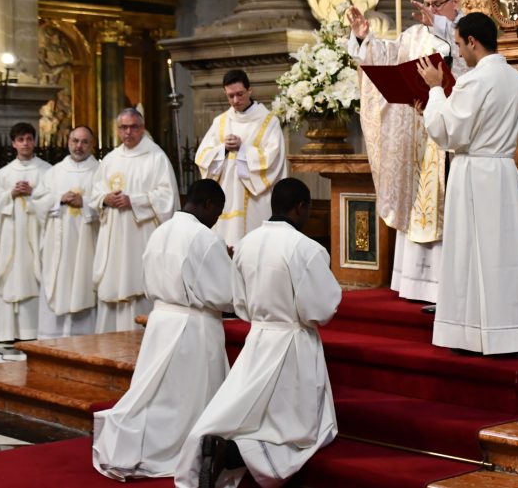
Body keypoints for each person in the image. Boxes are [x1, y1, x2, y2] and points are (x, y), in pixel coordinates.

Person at [174, 178, 341, 488]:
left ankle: (225, 444)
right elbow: (320, 308)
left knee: (256, 409)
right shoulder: (307, 249)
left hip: (258, 338)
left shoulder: (247, 243)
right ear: (300, 207)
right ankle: (239, 452)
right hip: (294, 341)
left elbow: (238, 301)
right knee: (298, 430)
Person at [415, 13, 518, 356]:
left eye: (460, 44)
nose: (459, 53)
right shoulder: (511, 77)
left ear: (473, 41)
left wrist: (434, 90)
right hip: (503, 173)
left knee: (471, 254)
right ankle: (513, 333)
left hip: (475, 174)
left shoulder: (476, 80)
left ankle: (470, 334)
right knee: (504, 255)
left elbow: (450, 132)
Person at [93, 179, 237, 480]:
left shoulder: (161, 232)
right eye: (218, 212)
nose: (217, 219)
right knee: (186, 399)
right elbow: (224, 295)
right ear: (209, 205)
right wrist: (230, 264)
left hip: (161, 321)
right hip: (193, 326)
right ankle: (180, 450)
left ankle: (140, 446)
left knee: (157, 395)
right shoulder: (204, 237)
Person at [347, 0, 469, 306]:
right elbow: (387, 57)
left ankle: (445, 286)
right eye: (426, 3)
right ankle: (414, 283)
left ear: (454, 3)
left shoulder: (465, 35)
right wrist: (364, 38)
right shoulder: (414, 35)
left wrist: (442, 34)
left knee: (441, 204)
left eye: (436, 4)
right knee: (415, 200)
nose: (428, 10)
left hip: (448, 139)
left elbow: (466, 71)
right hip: (416, 131)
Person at [91, 108, 179, 333]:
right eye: (123, 127)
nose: (128, 132)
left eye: (134, 127)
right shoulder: (110, 159)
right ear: (118, 130)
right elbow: (95, 194)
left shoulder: (156, 157)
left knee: (139, 282)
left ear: (142, 128)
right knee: (114, 280)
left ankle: (141, 335)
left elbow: (167, 197)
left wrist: (135, 201)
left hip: (141, 234)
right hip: (114, 235)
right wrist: (106, 198)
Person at [195, 69, 287, 250]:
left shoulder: (268, 121)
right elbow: (202, 156)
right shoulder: (220, 121)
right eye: (230, 96)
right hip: (225, 195)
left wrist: (243, 149)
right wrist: (223, 149)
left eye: (240, 94)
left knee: (253, 249)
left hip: (255, 198)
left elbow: (273, 158)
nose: (235, 100)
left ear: (250, 91)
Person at [33, 126, 100, 339]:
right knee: (58, 280)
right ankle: (54, 336)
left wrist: (85, 203)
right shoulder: (54, 172)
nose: (78, 146)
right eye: (74, 141)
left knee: (85, 281)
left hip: (87, 241)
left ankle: (85, 335)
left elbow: (106, 204)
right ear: (68, 141)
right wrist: (58, 199)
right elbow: (38, 202)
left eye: (84, 142)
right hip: (58, 243)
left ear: (92, 144)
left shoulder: (100, 171)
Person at [0, 123, 52, 342]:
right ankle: (8, 332)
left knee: (36, 275)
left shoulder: (47, 171)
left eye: (29, 139)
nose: (25, 143)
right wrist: (10, 194)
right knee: (11, 276)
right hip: (11, 236)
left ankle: (35, 330)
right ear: (13, 143)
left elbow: (54, 201)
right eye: (20, 139)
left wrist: (33, 193)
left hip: (36, 234)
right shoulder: (4, 173)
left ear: (35, 141)